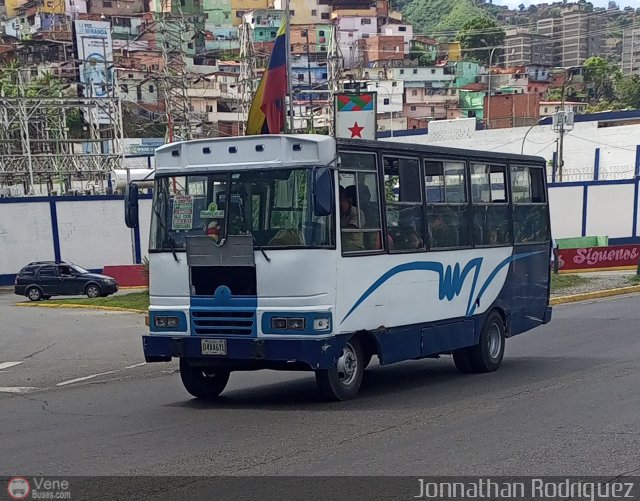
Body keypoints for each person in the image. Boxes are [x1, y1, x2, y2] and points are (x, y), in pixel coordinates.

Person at [340, 186, 365, 252]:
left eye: (341, 200)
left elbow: (349, 230)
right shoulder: (332, 213)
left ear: (349, 201)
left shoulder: (358, 212)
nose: (339, 203)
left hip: (354, 249)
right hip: (340, 248)